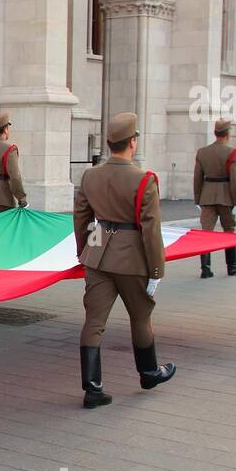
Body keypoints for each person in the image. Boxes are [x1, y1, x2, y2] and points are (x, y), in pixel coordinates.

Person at [73, 112, 175, 409]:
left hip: (98, 254)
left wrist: (84, 253)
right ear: (133, 142)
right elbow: (151, 230)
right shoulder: (144, 179)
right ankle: (148, 373)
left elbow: (81, 219)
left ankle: (93, 390)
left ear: (108, 143)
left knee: (94, 322)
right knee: (140, 316)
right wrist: (156, 269)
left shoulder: (90, 176)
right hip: (131, 258)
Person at [192, 117, 236, 278]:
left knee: (206, 232)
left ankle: (205, 269)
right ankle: (232, 265)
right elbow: (235, 179)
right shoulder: (232, 152)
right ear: (228, 133)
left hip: (207, 195)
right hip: (226, 196)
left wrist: (197, 198)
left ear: (215, 133)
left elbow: (197, 177)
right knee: (229, 230)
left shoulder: (203, 152)